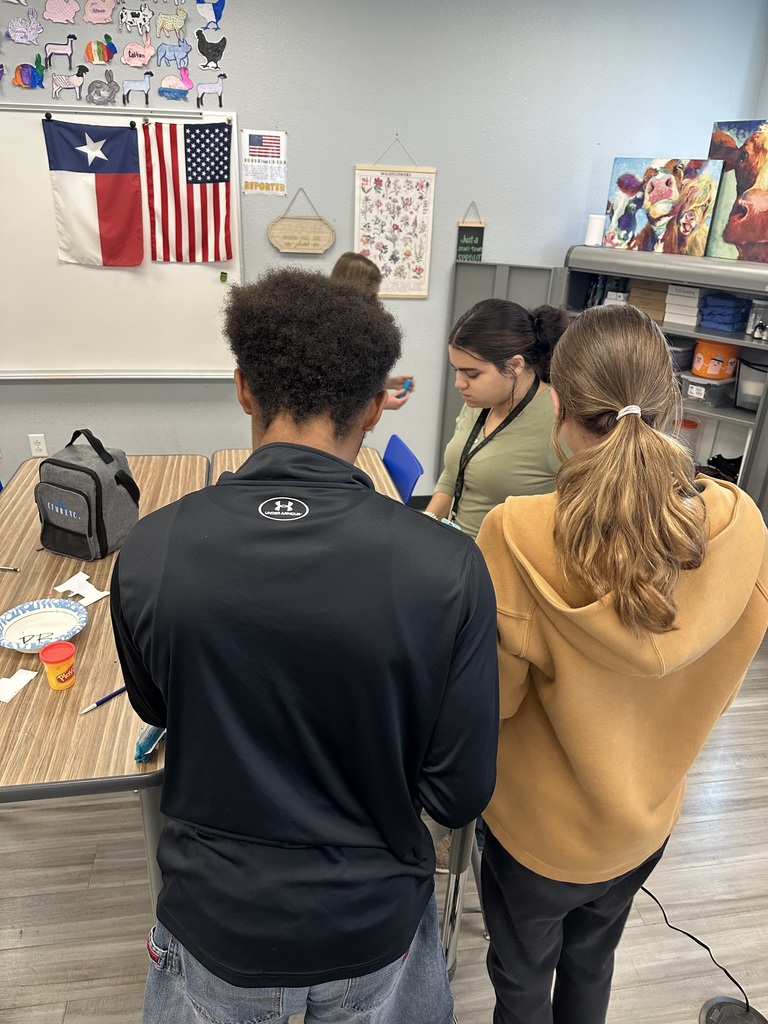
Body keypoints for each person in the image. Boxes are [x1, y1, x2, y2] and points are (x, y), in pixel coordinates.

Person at [110, 267, 499, 1024]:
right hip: (371, 922)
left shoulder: (151, 549)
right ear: (380, 402)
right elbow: (458, 793)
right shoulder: (449, 567)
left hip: (214, 922)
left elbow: (157, 706)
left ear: (244, 388)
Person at [475, 303, 768, 1024]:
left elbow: (493, 704)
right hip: (644, 827)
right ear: (669, 410)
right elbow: (722, 684)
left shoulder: (515, 534)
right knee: (592, 963)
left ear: (558, 405)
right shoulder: (741, 524)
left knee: (519, 982)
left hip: (536, 835)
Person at [425, 298, 569, 540]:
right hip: (454, 547)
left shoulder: (558, 421)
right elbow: (454, 473)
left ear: (514, 366)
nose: (459, 383)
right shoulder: (478, 401)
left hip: (498, 566)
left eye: (472, 374)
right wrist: (426, 523)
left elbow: (576, 512)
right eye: (456, 370)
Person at [330, 251, 416, 410]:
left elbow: (354, 378)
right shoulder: (345, 333)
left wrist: (389, 382)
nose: (376, 302)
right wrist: (381, 404)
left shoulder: (332, 321)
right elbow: (338, 392)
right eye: (374, 295)